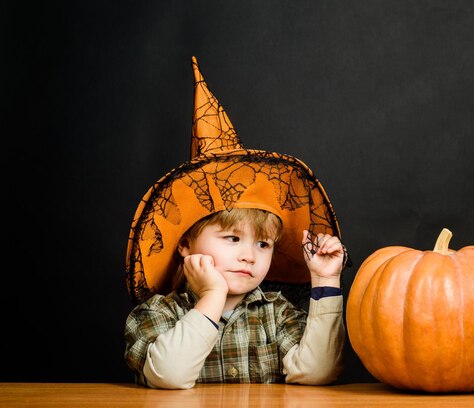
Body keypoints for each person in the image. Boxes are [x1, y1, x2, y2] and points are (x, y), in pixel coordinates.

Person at [123, 56, 349, 389]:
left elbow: (318, 372)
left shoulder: (276, 313)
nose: (249, 256)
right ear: (185, 244)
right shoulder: (156, 314)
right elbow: (168, 376)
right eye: (232, 239)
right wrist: (212, 295)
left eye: (263, 244)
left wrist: (325, 280)